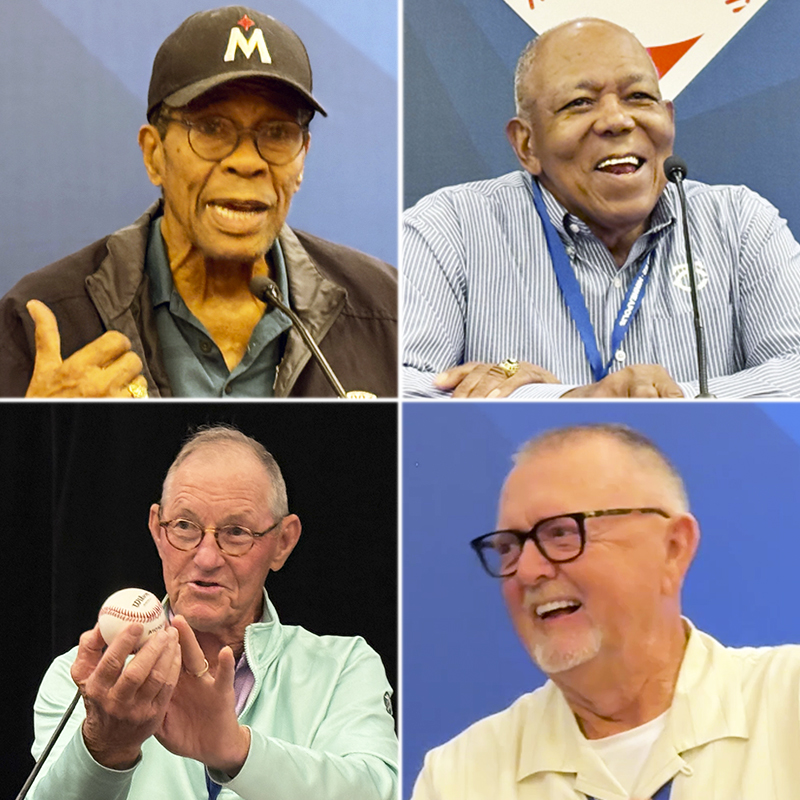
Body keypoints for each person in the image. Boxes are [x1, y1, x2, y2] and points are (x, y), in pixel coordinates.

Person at [0, 7, 397, 398]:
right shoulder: (39, 319)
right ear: (154, 154)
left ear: (302, 157)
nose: (246, 162)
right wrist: (32, 427)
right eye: (211, 128)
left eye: (277, 132)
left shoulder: (387, 309)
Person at [402, 17, 800, 399]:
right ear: (527, 145)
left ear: (669, 120)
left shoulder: (740, 222)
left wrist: (656, 399)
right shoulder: (450, 227)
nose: (617, 120)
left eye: (639, 97)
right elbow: (395, 388)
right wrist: (567, 399)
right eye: (579, 102)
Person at [410, 422, 800, 799]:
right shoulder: (459, 776)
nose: (527, 571)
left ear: (673, 549)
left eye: (561, 533)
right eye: (509, 547)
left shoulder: (788, 700)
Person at [28, 426, 398, 800]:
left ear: (283, 542)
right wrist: (105, 750)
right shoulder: (86, 682)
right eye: (185, 526)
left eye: (236, 532)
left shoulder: (343, 667)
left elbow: (379, 790)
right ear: (158, 530)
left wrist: (238, 752)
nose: (205, 558)